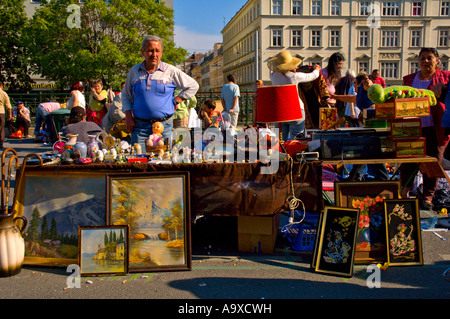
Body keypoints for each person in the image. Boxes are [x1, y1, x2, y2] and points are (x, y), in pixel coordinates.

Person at [122, 35, 199, 150]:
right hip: (139, 128)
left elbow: (193, 85)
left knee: (163, 163)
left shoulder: (170, 71)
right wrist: (128, 115)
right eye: (150, 51)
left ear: (161, 53)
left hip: (164, 128)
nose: (154, 54)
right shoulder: (134, 71)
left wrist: (178, 99)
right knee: (138, 161)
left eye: (157, 51)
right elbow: (126, 95)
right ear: (143, 52)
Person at [400, 47, 450, 210]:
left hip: (436, 128)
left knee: (433, 162)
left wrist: (443, 88)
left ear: (437, 60)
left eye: (429, 58)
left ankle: (427, 197)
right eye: (422, 58)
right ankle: (404, 193)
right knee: (408, 160)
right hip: (412, 127)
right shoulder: (408, 79)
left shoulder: (445, 77)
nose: (426, 61)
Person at [268, 50, 321, 140]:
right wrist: (317, 69)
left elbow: (276, 72)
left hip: (280, 113)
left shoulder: (273, 76)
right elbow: (313, 76)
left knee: (280, 141)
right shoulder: (294, 77)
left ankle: (280, 153)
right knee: (296, 139)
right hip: (296, 111)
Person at [346, 74, 389, 181]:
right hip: (369, 123)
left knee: (369, 148)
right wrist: (335, 97)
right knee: (369, 149)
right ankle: (356, 176)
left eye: (355, 83)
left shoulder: (364, 87)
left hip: (374, 123)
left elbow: (369, 86)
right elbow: (352, 98)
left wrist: (368, 82)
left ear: (359, 82)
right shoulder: (360, 91)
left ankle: (358, 176)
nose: (353, 86)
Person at [0, 82, 12, 148]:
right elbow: (8, 106)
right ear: (1, 86)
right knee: (1, 128)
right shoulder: (4, 93)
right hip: (1, 112)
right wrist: (9, 115)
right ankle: (1, 142)